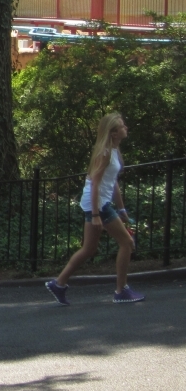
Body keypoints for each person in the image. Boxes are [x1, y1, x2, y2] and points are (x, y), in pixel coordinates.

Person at [46, 113, 144, 305]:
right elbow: (95, 184)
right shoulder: (104, 153)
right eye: (122, 126)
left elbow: (113, 183)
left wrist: (122, 209)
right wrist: (96, 214)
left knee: (89, 249)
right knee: (126, 243)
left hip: (98, 204)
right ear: (113, 133)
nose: (126, 128)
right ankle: (121, 291)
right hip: (98, 205)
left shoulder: (114, 151)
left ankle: (59, 284)